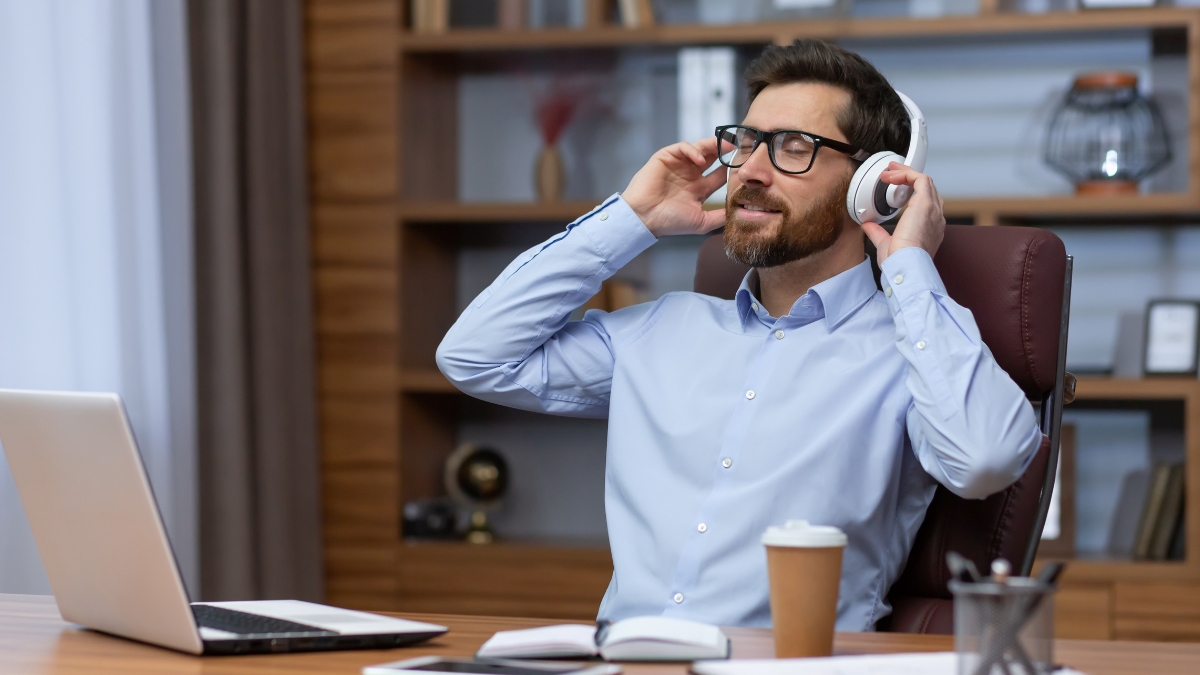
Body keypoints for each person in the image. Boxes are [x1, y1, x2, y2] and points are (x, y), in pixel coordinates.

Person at [436, 39, 1041, 630]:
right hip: (624, 661)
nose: (749, 171)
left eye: (793, 148)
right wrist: (632, 219)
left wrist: (910, 265)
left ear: (874, 183)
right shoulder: (660, 330)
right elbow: (473, 357)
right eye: (747, 143)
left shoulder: (911, 356)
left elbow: (986, 460)